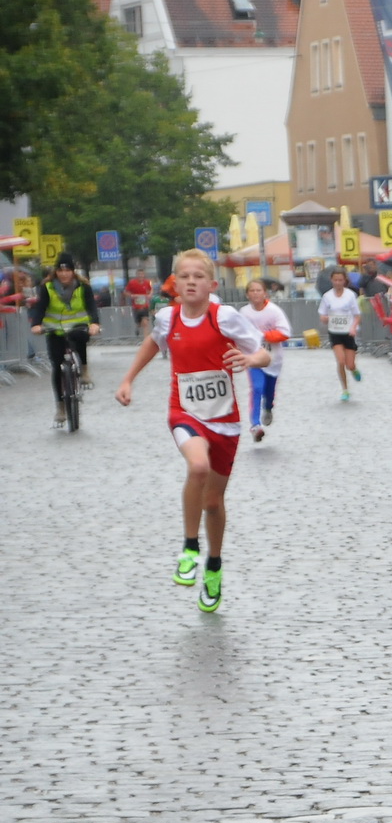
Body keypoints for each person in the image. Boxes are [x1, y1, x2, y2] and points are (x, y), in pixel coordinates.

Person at [113, 248, 269, 613]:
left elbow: (262, 353)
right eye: (184, 277)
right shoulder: (168, 318)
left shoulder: (224, 317)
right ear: (174, 284)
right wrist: (128, 379)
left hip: (225, 421)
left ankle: (213, 566)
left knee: (213, 502)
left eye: (198, 276)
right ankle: (189, 547)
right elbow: (152, 344)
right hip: (184, 411)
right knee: (196, 467)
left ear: (212, 284)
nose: (191, 282)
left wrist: (248, 359)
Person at [29, 253, 101, 426]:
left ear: (72, 271)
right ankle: (60, 406)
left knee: (81, 338)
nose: (64, 274)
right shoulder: (47, 288)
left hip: (77, 326)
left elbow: (91, 306)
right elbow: (40, 307)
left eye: (67, 270)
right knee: (56, 365)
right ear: (56, 272)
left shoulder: (83, 287)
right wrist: (37, 324)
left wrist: (94, 324)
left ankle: (84, 370)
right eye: (61, 270)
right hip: (54, 329)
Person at [239, 278, 293, 443]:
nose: (255, 293)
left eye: (258, 290)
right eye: (252, 290)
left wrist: (262, 335)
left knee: (268, 391)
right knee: (256, 387)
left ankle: (268, 407)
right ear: (247, 294)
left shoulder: (274, 311)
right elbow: (238, 333)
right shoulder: (244, 312)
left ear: (265, 293)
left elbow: (285, 333)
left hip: (273, 359)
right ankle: (255, 425)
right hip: (253, 358)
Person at [318, 267, 363, 401]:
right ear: (332, 280)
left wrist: (354, 327)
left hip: (348, 332)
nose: (338, 283)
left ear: (344, 281)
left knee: (350, 364)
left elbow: (357, 315)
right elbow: (322, 315)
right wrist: (325, 319)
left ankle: (354, 369)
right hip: (335, 332)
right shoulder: (327, 296)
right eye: (335, 280)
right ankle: (345, 390)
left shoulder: (350, 295)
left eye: (340, 280)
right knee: (341, 361)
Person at [125, 272, 153, 337]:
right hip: (136, 307)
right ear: (137, 276)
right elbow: (125, 292)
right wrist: (132, 295)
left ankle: (146, 339)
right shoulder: (132, 283)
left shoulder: (147, 282)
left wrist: (149, 295)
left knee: (145, 322)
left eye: (142, 275)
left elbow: (151, 290)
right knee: (139, 323)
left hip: (145, 306)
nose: (141, 276)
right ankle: (137, 327)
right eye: (139, 275)